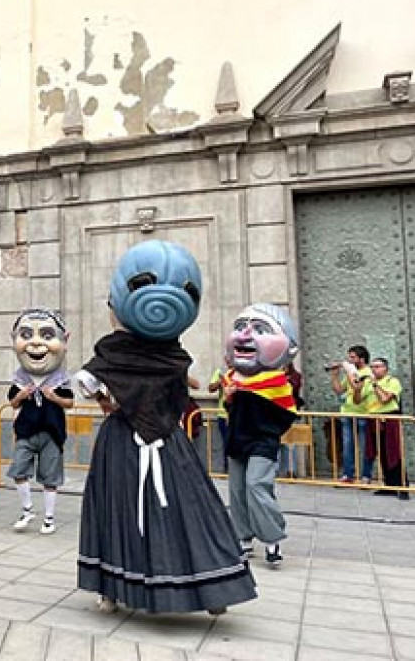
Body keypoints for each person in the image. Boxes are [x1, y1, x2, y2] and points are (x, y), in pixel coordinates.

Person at [74, 240, 256, 615]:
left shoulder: (111, 352)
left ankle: (112, 588)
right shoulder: (174, 354)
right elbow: (182, 385)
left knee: (119, 510)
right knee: (189, 508)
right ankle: (212, 589)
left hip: (122, 440)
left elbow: (88, 386)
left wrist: (111, 401)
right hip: (170, 440)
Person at [222, 303, 299, 568]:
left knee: (257, 487)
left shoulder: (278, 383)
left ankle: (272, 538)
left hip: (263, 442)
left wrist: (267, 431)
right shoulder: (232, 378)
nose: (245, 335)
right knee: (237, 491)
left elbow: (286, 416)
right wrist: (230, 398)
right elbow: (229, 409)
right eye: (241, 327)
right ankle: (243, 538)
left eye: (260, 329)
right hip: (237, 439)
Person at [6, 308, 74, 536]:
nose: (35, 344)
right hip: (26, 431)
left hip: (51, 433)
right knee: (18, 470)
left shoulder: (61, 379)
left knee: (50, 478)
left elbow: (69, 403)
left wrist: (54, 397)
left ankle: (49, 517)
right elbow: (13, 403)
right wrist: (22, 395)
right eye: (25, 335)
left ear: (65, 340)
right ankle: (27, 510)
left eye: (47, 336)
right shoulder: (19, 378)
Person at [356, 358, 408, 499]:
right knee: (381, 453)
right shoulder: (367, 383)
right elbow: (358, 400)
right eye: (372, 367)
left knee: (394, 452)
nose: (374, 369)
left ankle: (402, 486)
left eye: (378, 366)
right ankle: (389, 485)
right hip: (373, 418)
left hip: (390, 418)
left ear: (386, 368)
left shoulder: (392, 382)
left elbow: (385, 399)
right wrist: (358, 388)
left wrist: (374, 384)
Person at [329, 345, 373, 484]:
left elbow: (357, 391)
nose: (349, 360)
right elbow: (339, 390)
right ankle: (348, 474)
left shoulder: (368, 373)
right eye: (349, 357)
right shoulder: (351, 372)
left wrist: (349, 371)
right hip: (347, 413)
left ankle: (366, 475)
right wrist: (335, 375)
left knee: (366, 446)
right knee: (347, 446)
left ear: (362, 359)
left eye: (353, 357)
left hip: (364, 414)